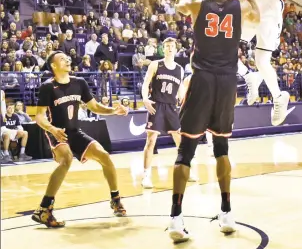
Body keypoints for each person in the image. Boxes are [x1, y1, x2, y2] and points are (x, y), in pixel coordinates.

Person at [167, 0, 260, 242]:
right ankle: (226, 212)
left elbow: (177, 2)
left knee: (186, 151)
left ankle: (175, 218)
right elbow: (256, 15)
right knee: (221, 149)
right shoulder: (240, 6)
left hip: (202, 80)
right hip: (227, 82)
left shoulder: (198, 4)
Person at [32, 51, 129, 228]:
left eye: (67, 58)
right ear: (53, 66)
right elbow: (39, 117)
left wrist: (113, 110)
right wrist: (52, 130)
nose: (67, 60)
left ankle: (115, 199)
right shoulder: (48, 87)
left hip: (75, 132)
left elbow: (94, 106)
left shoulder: (79, 82)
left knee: (104, 156)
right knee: (66, 159)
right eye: (62, 59)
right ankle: (44, 209)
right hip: (58, 132)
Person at [141, 37, 193, 188]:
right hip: (156, 105)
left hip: (171, 107)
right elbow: (145, 83)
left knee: (180, 141)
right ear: (163, 49)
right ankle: (146, 176)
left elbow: (180, 91)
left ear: (176, 49)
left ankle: (185, 170)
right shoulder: (155, 65)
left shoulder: (180, 69)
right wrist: (145, 98)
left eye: (172, 46)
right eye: (167, 46)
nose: (170, 48)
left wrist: (187, 104)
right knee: (151, 141)